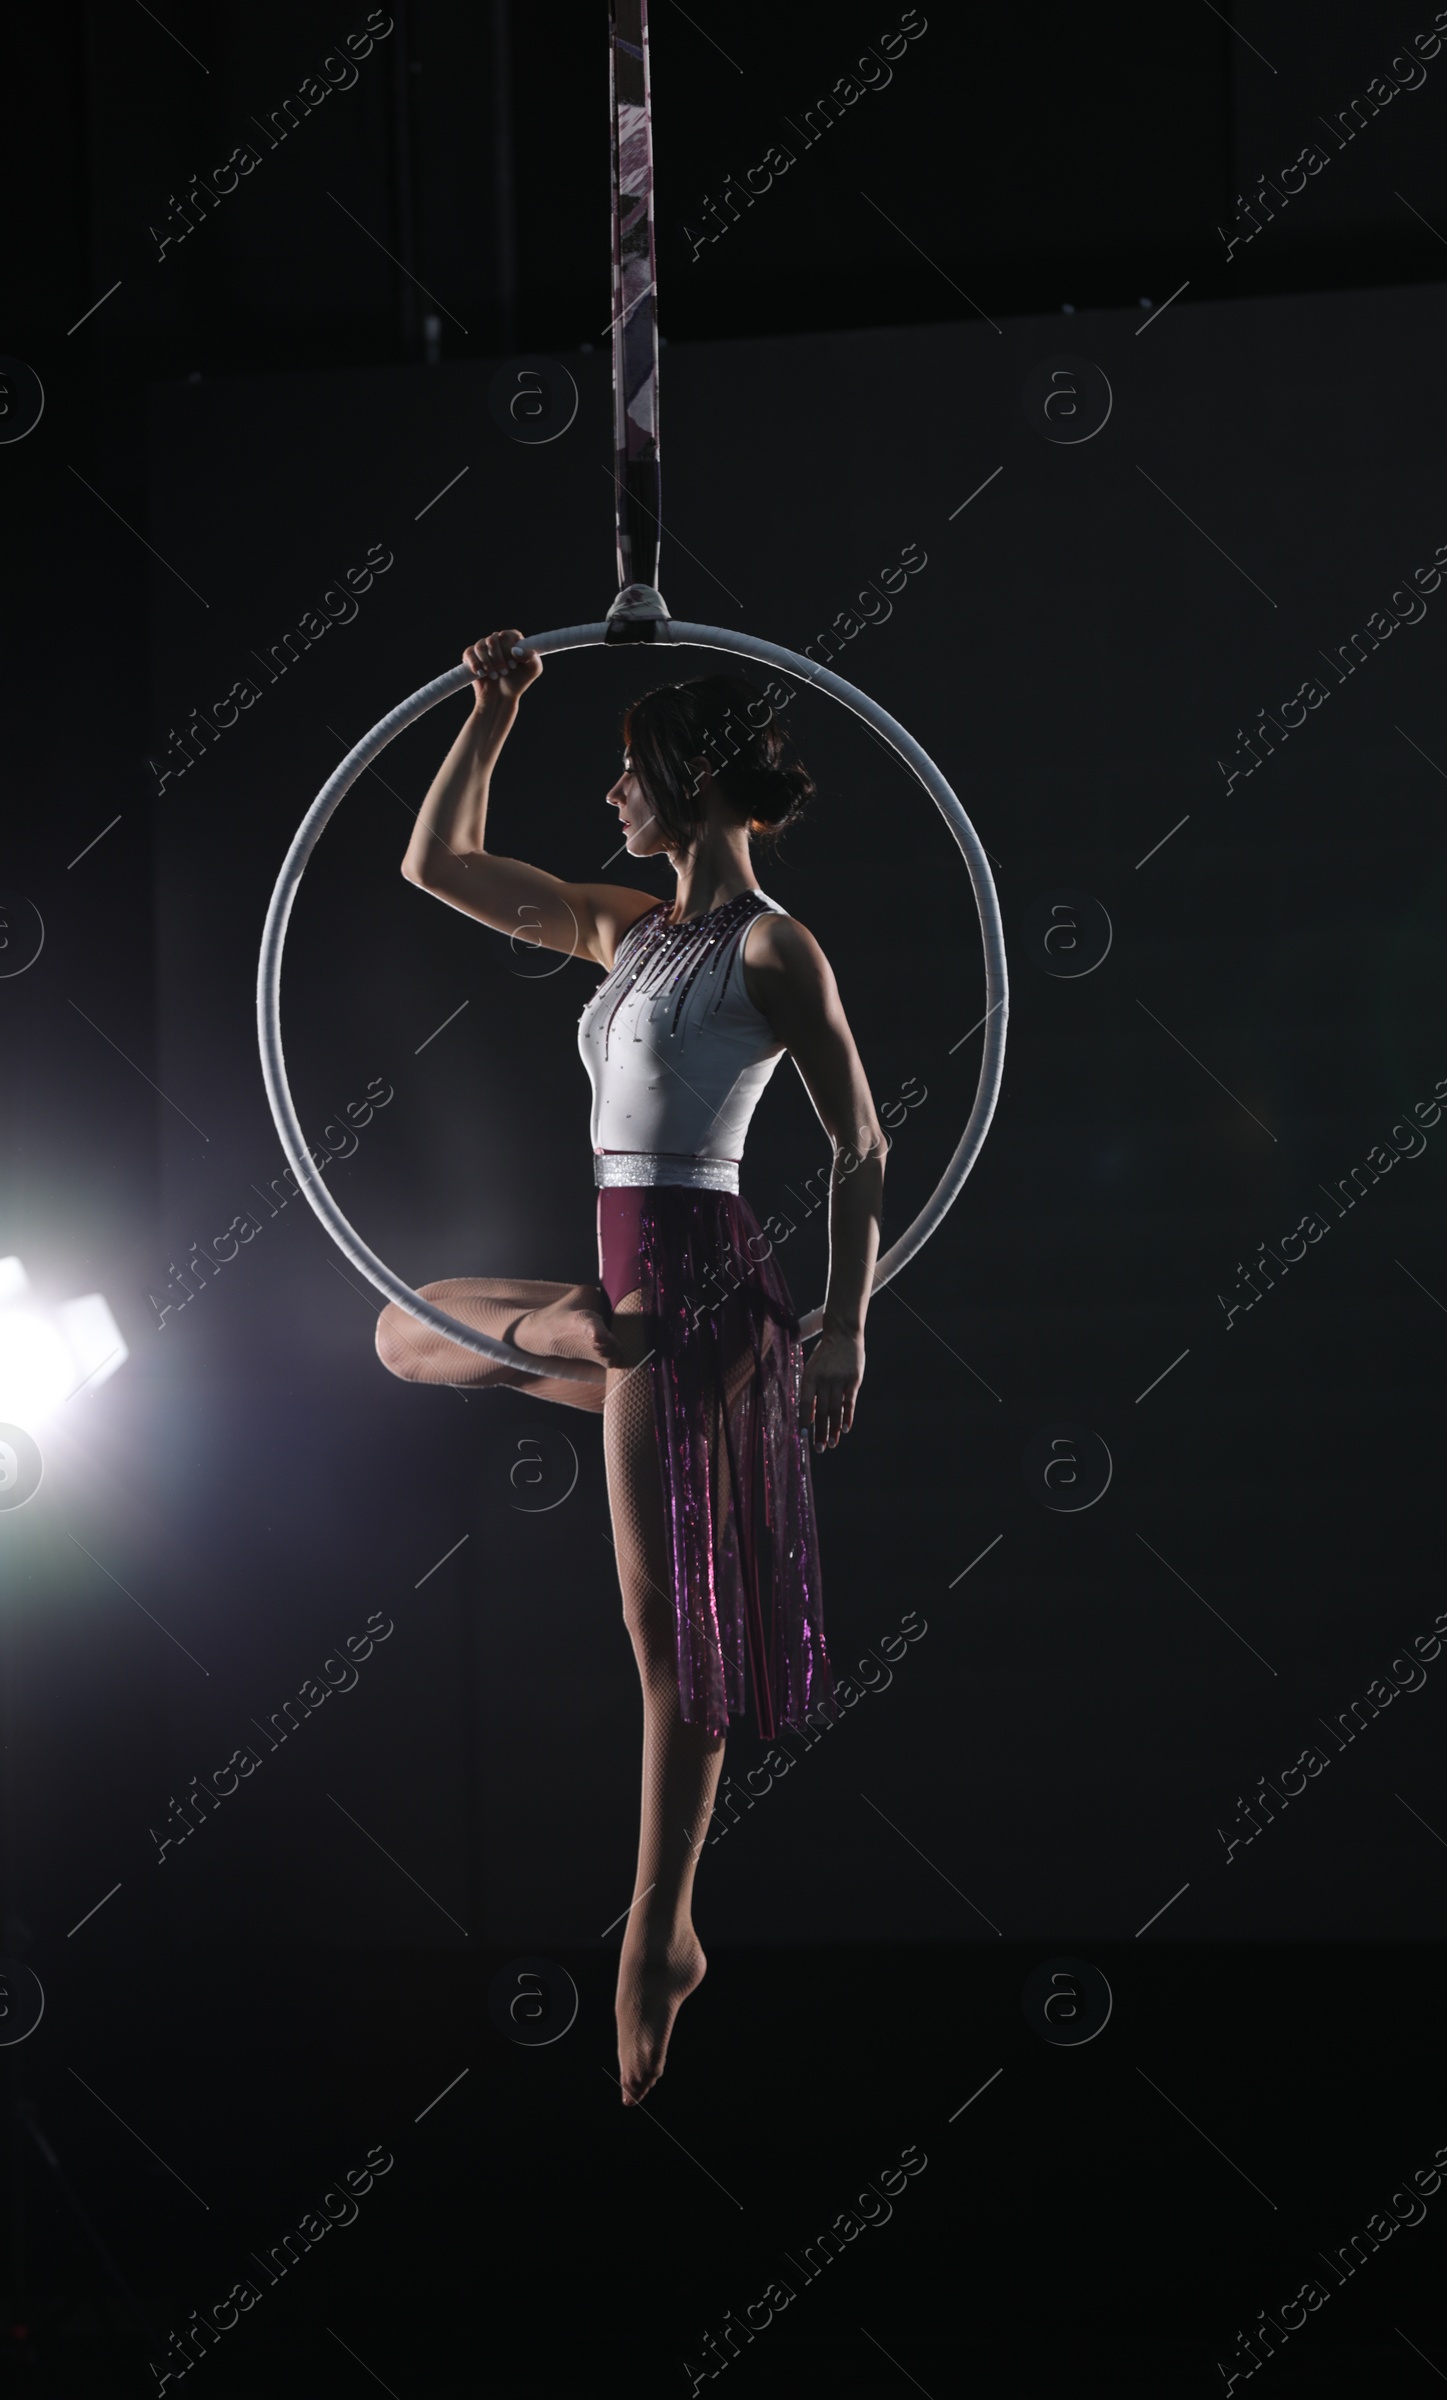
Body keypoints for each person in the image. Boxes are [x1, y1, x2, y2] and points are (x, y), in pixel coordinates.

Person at [374, 630, 888, 2104]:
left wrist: (850, 1323)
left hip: (705, 1291)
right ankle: (585, 1343)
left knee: (671, 1637)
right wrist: (489, 710)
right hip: (630, 1296)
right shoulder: (627, 932)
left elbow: (861, 1141)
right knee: (407, 1329)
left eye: (624, 774)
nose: (607, 796)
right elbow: (441, 868)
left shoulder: (773, 948)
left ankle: (659, 1934)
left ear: (686, 784)